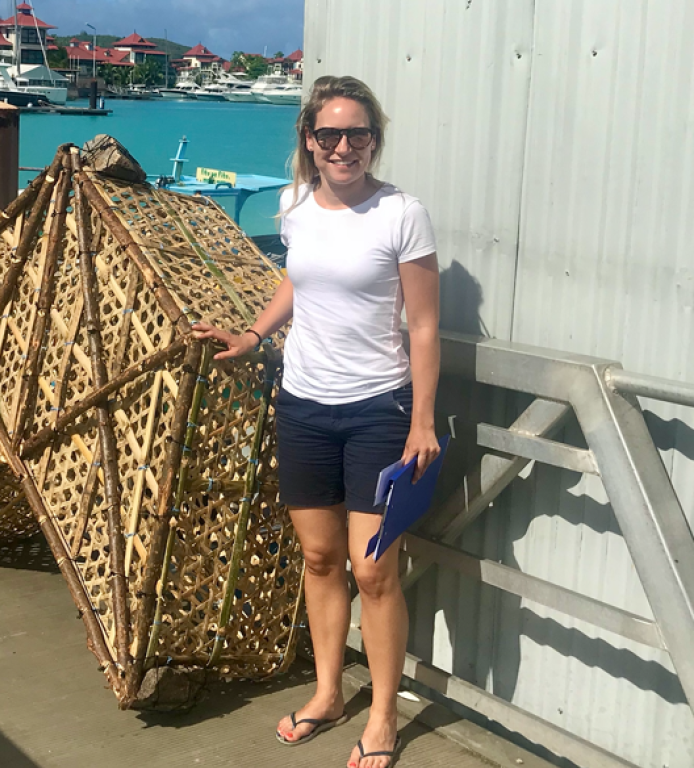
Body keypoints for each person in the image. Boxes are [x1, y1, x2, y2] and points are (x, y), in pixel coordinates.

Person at [193, 75, 441, 768]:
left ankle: (384, 715)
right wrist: (253, 334)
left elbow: (422, 325)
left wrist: (422, 420)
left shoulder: (402, 214)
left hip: (377, 411)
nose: (342, 146)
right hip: (302, 404)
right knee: (320, 558)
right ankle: (329, 691)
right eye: (328, 134)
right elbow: (298, 279)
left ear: (373, 140)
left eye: (356, 133)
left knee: (373, 569)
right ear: (309, 140)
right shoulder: (294, 203)